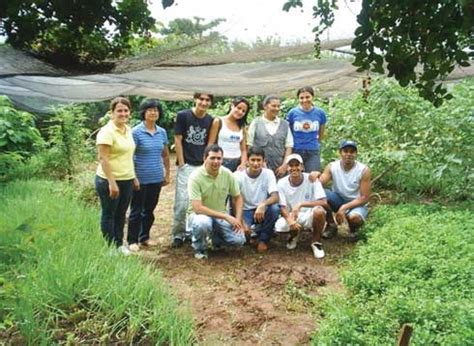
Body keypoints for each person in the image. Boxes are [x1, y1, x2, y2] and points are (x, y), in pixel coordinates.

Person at [187, 144, 246, 259]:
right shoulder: (195, 177)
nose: (216, 161)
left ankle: (216, 240)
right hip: (200, 215)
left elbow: (238, 197)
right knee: (202, 223)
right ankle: (200, 248)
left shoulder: (227, 174)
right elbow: (197, 208)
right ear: (205, 158)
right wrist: (226, 216)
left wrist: (238, 219)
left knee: (239, 240)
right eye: (212, 158)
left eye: (219, 158)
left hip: (220, 216)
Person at [95, 97, 137, 255]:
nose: (123, 113)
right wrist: (112, 183)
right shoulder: (107, 132)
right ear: (112, 113)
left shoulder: (128, 129)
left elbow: (128, 156)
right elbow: (103, 158)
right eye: (119, 110)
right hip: (108, 180)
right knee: (109, 213)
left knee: (121, 213)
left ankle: (119, 244)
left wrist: (134, 177)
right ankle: (110, 247)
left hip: (126, 179)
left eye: (126, 110)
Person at [172, 92, 214, 248]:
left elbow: (209, 144)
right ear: (195, 99)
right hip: (187, 164)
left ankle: (191, 233)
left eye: (207, 100)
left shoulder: (210, 120)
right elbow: (178, 139)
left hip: (201, 166)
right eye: (201, 99)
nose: (203, 102)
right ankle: (177, 233)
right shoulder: (183, 116)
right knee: (182, 201)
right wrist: (182, 164)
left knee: (197, 202)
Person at [127, 99, 170, 252]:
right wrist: (134, 177)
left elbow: (165, 155)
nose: (153, 112)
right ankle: (132, 240)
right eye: (150, 110)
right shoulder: (135, 132)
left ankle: (144, 237)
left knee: (149, 210)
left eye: (156, 110)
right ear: (143, 113)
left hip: (156, 177)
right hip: (140, 178)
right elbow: (129, 156)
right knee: (136, 210)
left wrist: (167, 174)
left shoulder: (162, 132)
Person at [275, 154, 327, 259]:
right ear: (287, 168)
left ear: (302, 167)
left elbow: (323, 202)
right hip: (292, 215)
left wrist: (301, 204)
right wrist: (290, 220)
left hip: (309, 214)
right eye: (291, 165)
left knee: (319, 211)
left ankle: (316, 242)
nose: (294, 168)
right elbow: (282, 206)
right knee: (280, 226)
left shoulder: (312, 179)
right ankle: (294, 235)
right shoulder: (281, 183)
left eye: (297, 165)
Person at [318, 140, 371, 240]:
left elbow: (364, 198)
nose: (348, 154)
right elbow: (320, 182)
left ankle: (353, 229)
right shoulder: (332, 166)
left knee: (355, 218)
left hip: (356, 202)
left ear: (356, 154)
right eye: (345, 151)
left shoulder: (363, 170)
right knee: (321, 194)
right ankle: (331, 224)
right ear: (340, 153)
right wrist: (315, 176)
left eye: (352, 152)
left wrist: (344, 208)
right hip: (338, 199)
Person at [234, 147, 279, 252]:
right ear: (247, 161)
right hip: (244, 211)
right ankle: (252, 234)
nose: (255, 163)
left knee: (275, 209)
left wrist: (263, 204)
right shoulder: (238, 176)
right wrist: (242, 222)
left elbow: (275, 196)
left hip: (261, 210)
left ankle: (263, 240)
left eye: (259, 160)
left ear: (264, 161)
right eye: (253, 160)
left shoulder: (268, 174)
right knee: (240, 239)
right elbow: (233, 201)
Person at [247, 95, 293, 177]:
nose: (277, 109)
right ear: (265, 106)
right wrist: (260, 164)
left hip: (279, 169)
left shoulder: (285, 124)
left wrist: (285, 165)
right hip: (259, 168)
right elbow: (249, 145)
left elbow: (289, 146)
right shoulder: (256, 123)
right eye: (273, 106)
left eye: (278, 106)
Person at [287, 86, 327, 172]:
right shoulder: (292, 113)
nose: (305, 100)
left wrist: (317, 142)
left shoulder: (320, 113)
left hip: (312, 150)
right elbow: (289, 131)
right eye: (301, 98)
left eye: (307, 97)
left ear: (312, 97)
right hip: (296, 149)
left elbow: (321, 131)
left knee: (313, 176)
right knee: (296, 176)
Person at [208, 97, 250, 172]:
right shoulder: (218, 121)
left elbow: (243, 149)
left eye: (243, 111)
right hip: (220, 162)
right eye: (238, 108)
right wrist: (208, 160)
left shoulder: (242, 127)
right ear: (232, 106)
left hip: (237, 163)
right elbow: (210, 144)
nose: (240, 112)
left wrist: (243, 164)